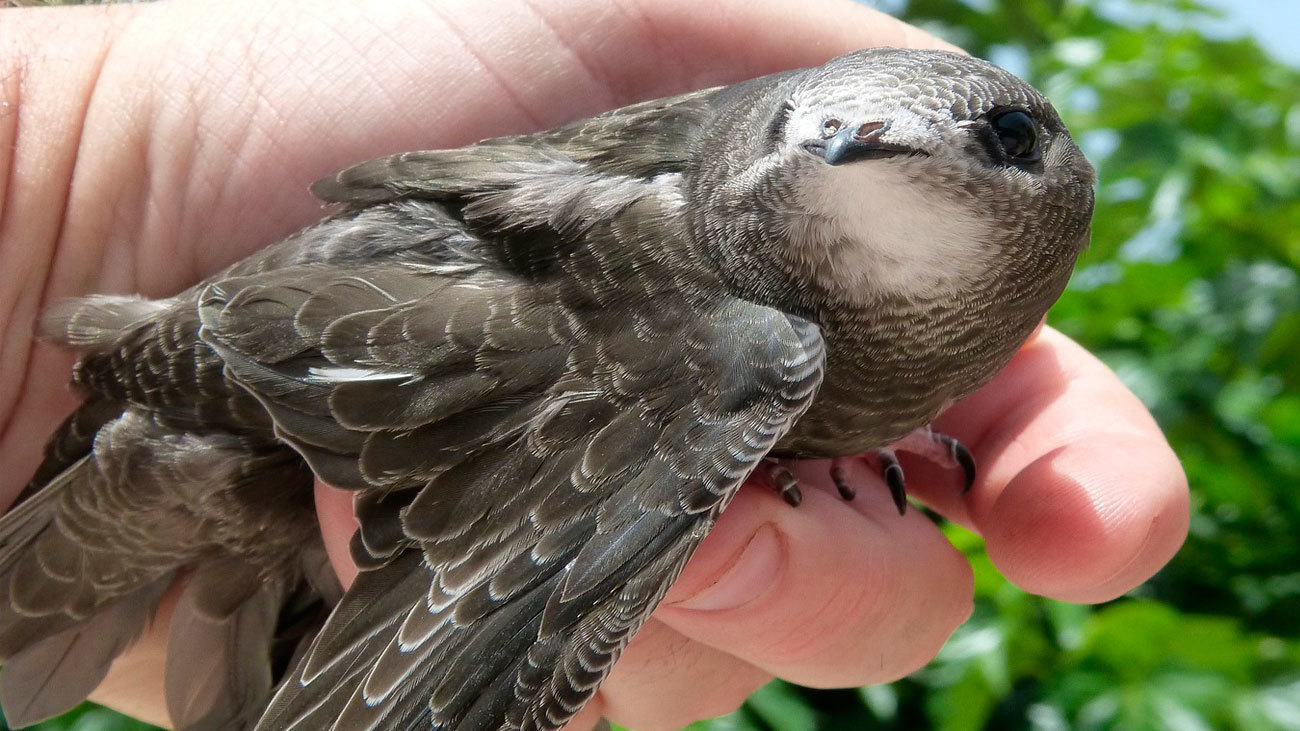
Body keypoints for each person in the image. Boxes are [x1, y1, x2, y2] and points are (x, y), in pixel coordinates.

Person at [0, 1, 1189, 729]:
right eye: (822, 134)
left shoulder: (884, 319)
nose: (868, 139)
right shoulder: (717, 324)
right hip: (200, 447)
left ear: (1056, 222)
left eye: (1006, 138)